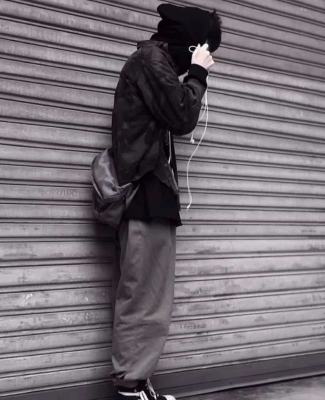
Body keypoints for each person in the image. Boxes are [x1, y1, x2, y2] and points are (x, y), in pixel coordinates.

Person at [110, 4, 222, 400]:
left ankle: (138, 382)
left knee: (151, 294)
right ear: (191, 44)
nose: (206, 58)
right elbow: (183, 115)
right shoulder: (150, 61)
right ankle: (129, 387)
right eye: (205, 49)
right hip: (144, 192)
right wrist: (198, 74)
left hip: (154, 192)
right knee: (142, 295)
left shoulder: (155, 64)